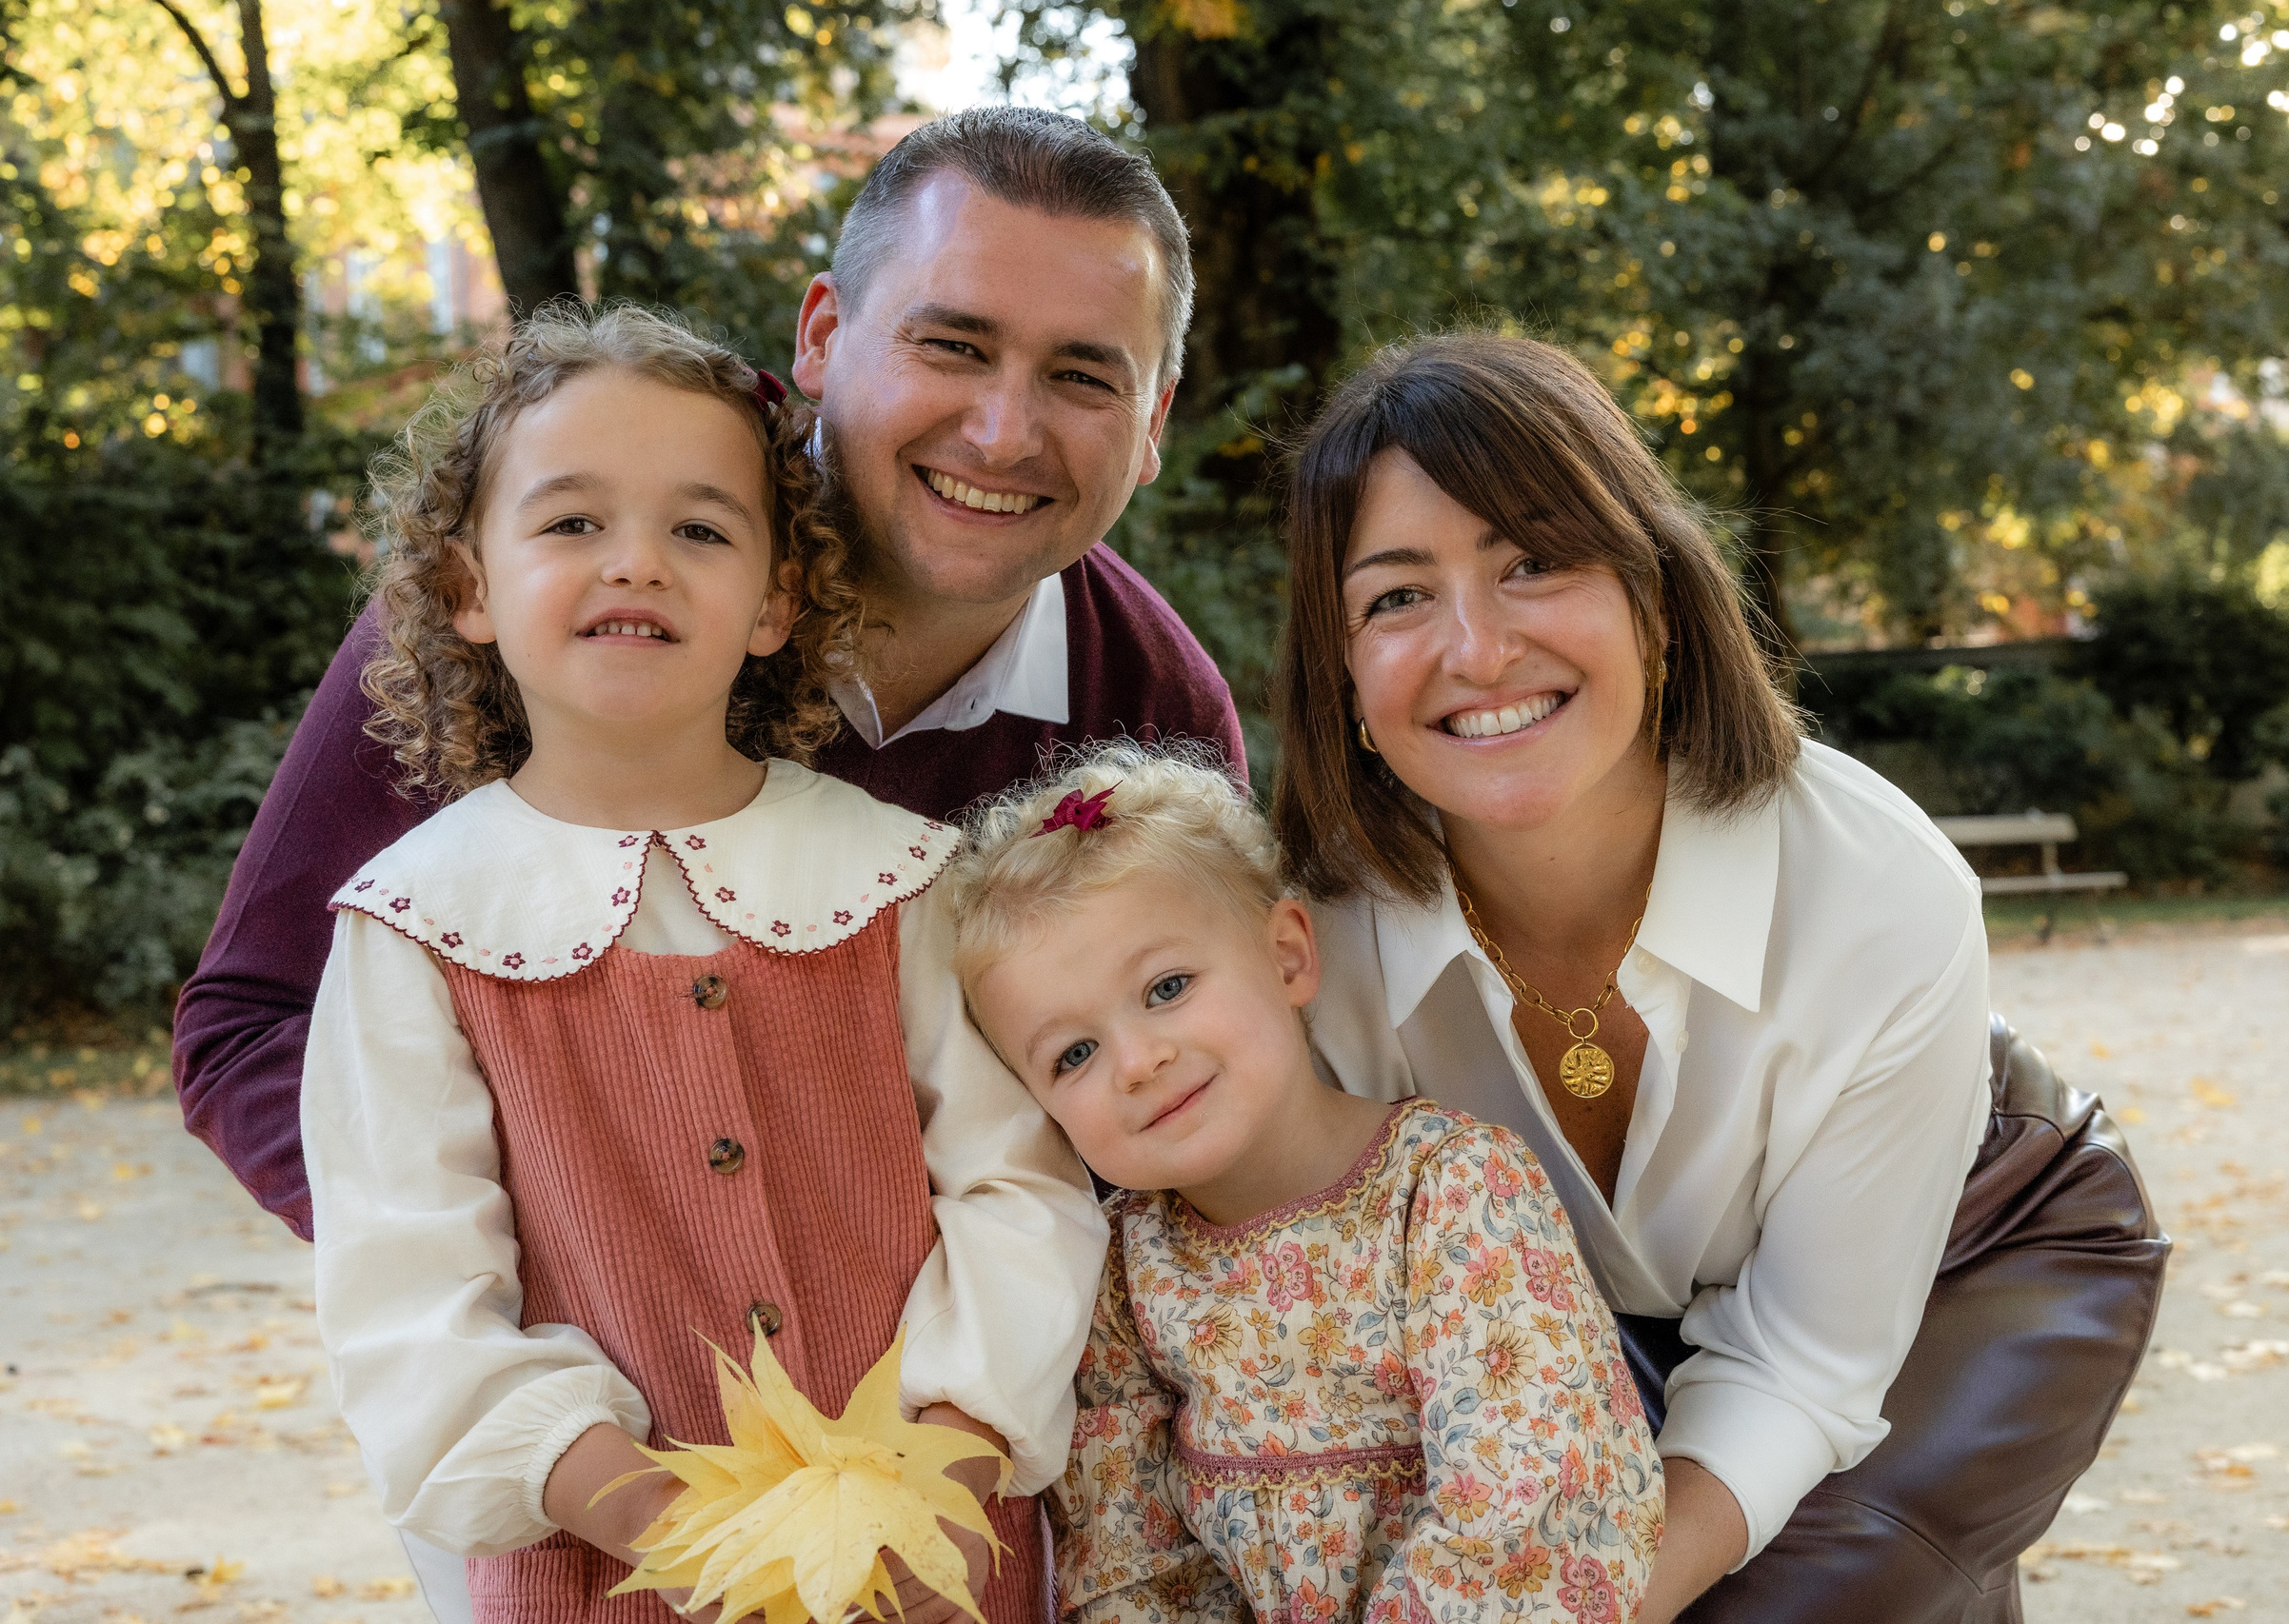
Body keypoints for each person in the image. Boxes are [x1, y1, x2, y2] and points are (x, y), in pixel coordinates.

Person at [174, 104, 1242, 1244]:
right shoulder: (574, 569)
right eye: (953, 345)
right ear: (824, 335)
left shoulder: (1149, 713)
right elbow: (257, 1023)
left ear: (1152, 424)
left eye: (1082, 376)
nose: (998, 431)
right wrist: (535, 1291)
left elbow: (1189, 1137)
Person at [1272, 334, 2161, 1623]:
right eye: (1397, 597)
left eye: (1533, 560)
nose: (1477, 647)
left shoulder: (1880, 890)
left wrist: (1589, 1604)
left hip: (1974, 1243)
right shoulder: (1311, 942)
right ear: (1345, 676)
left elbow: (1803, 1360)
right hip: (1596, 1326)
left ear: (1657, 597)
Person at [303, 303, 1104, 1624]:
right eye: (572, 523)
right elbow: (406, 1290)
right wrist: (656, 1513)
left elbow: (1019, 1185)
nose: (638, 564)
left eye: (700, 528)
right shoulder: (412, 924)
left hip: (934, 1561)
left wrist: (945, 1463)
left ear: (778, 597)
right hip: (603, 1569)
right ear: (469, 588)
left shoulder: (903, 875)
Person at [942, 743, 1664, 1624]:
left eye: (1167, 986)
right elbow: (1127, 1557)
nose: (1137, 1060)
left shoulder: (1450, 1191)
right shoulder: (1121, 1271)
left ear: (1287, 956)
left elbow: (1532, 1502)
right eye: (1074, 1054)